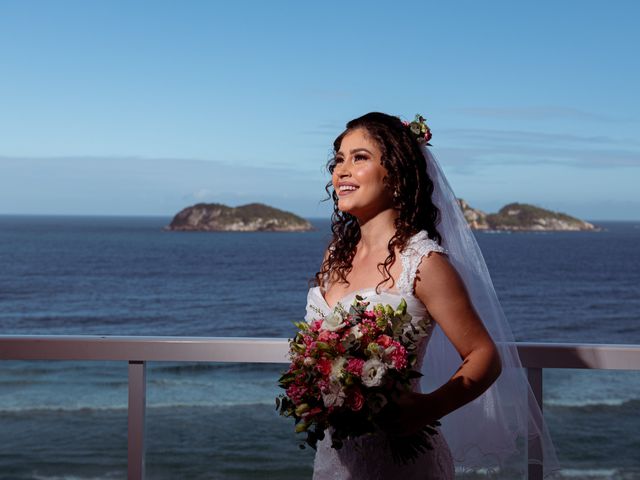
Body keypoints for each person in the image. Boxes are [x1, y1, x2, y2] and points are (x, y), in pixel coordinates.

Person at [304, 112, 560, 479]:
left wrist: (425, 410)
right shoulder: (336, 255)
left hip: (401, 461)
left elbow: (484, 356)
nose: (342, 170)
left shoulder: (424, 262)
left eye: (359, 157)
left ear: (396, 173)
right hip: (335, 455)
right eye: (339, 159)